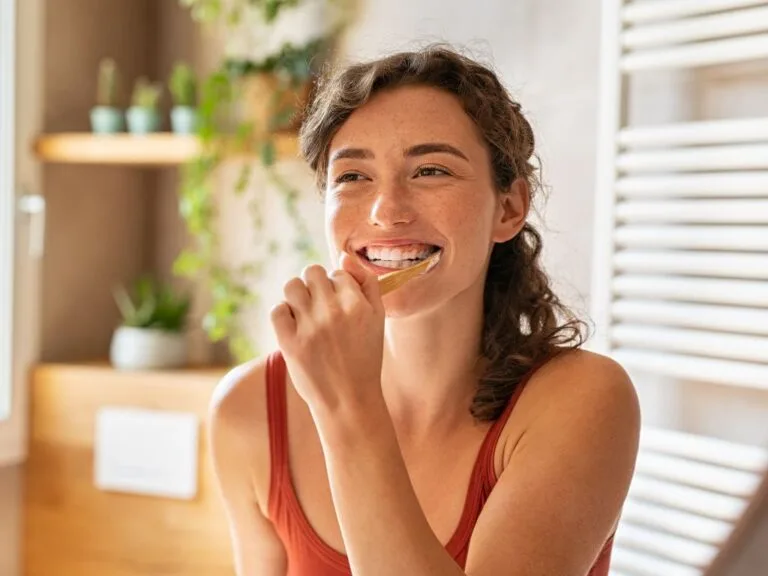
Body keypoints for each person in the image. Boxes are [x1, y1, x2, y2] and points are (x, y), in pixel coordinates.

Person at [209, 45, 641, 576]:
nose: (386, 210)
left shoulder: (582, 401)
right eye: (352, 177)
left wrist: (348, 408)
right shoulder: (249, 409)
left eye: (431, 170)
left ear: (508, 209)